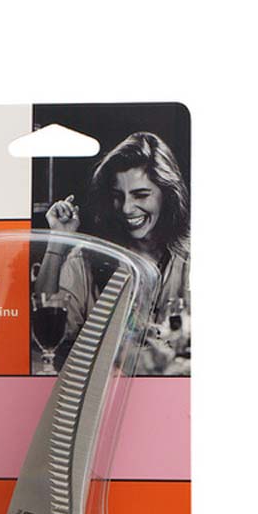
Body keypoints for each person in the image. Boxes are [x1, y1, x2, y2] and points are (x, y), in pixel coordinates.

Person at [36, 131, 191, 375]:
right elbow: (49, 335)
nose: (127, 208)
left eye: (141, 195)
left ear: (167, 194)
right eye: (118, 196)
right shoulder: (85, 259)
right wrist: (58, 240)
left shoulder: (191, 260)